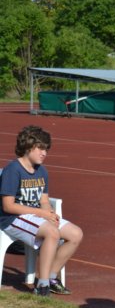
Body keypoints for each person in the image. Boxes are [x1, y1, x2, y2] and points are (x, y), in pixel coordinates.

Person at [0, 125, 83, 297]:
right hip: (13, 219)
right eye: (40, 148)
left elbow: (44, 200)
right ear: (27, 147)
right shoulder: (13, 170)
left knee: (76, 234)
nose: (44, 153)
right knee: (52, 232)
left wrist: (50, 213)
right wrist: (42, 214)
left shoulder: (41, 171)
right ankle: (42, 285)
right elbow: (8, 206)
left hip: (35, 216)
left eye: (46, 149)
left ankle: (51, 277)